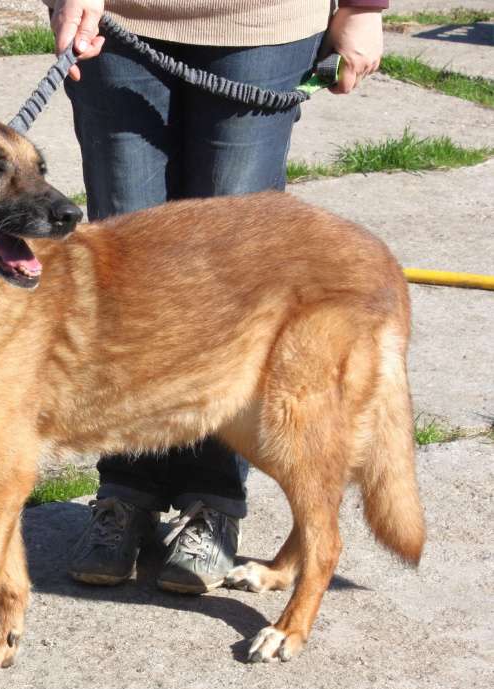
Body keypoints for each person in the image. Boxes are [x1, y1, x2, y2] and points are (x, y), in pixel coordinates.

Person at [47, 0, 387, 592]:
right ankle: (127, 492)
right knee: (123, 269)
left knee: (235, 278)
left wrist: (362, 7)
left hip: (263, 21)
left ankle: (213, 501)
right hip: (117, 17)